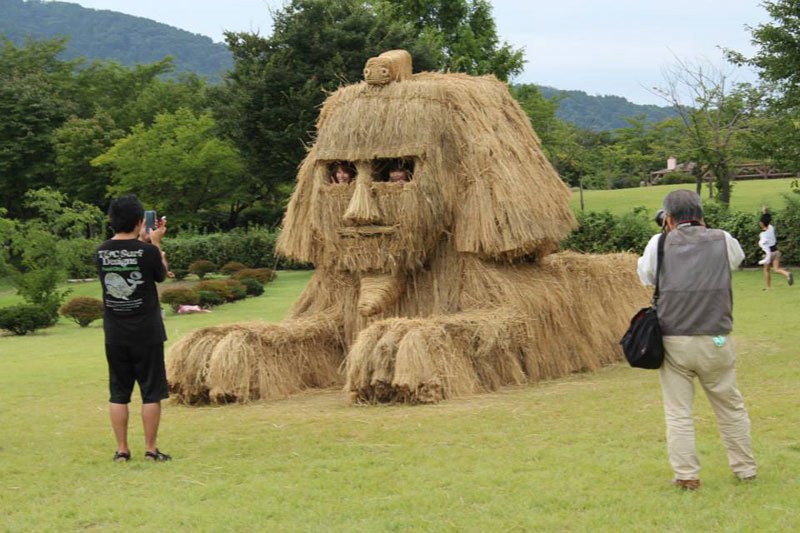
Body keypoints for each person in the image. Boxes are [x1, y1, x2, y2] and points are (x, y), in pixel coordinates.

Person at [637, 190, 756, 490]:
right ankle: (744, 468)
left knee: (678, 412)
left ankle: (686, 474)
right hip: (716, 336)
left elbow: (646, 276)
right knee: (730, 406)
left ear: (668, 217)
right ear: (701, 213)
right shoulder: (723, 239)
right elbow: (736, 262)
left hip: (675, 338)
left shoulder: (659, 243)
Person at [96, 194, 172, 462]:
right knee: (151, 391)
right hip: (147, 332)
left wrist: (144, 240)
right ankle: (151, 450)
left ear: (112, 220)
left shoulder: (101, 251)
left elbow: (125, 255)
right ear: (141, 221)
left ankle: (121, 450)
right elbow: (160, 274)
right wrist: (156, 243)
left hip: (115, 333)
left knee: (119, 392)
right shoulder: (148, 251)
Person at [758, 209, 793, 289]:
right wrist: (765, 213)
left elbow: (763, 245)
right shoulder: (771, 228)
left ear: (761, 223)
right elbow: (767, 221)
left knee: (766, 270)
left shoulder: (762, 234)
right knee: (776, 269)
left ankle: (768, 287)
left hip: (768, 254)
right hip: (776, 252)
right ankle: (787, 274)